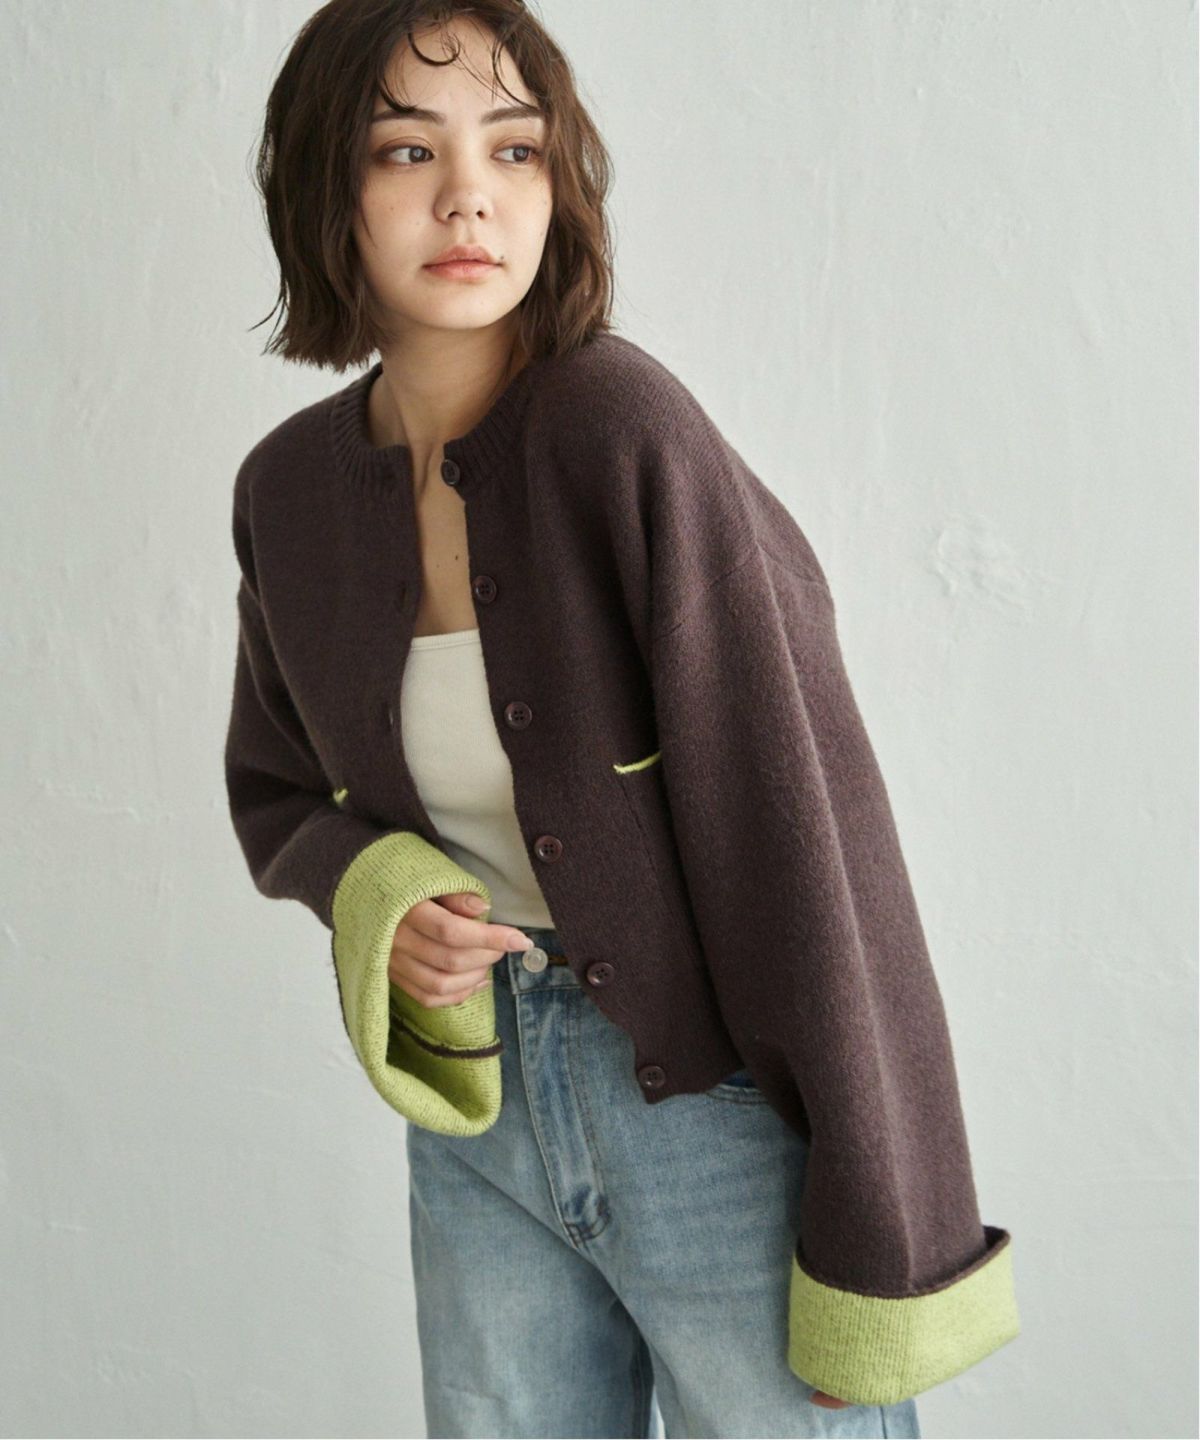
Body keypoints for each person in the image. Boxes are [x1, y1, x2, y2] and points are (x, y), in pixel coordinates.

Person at [225, 2, 1019, 1435]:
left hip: (715, 1121)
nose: (469, 195)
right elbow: (278, 791)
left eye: (514, 149)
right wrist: (382, 893)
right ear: (323, 187)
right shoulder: (288, 494)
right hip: (475, 1118)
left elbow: (809, 839)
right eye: (406, 150)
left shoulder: (621, 429)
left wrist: (880, 1234)